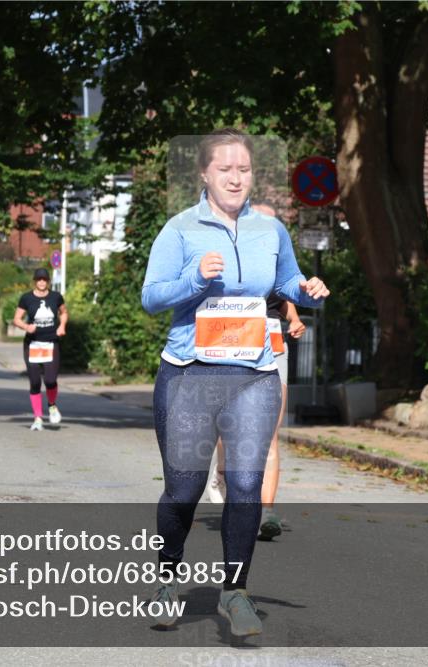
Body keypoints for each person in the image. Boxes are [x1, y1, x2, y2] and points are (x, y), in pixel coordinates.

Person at [141, 128, 329, 636]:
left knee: (245, 485)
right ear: (204, 173)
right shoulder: (180, 229)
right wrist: (196, 279)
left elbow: (285, 281)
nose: (236, 177)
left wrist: (306, 289)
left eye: (244, 169)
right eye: (225, 169)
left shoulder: (270, 230)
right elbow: (152, 297)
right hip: (188, 375)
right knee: (184, 488)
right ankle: (166, 580)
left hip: (253, 374)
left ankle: (235, 591)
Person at [207, 294, 306, 541]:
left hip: (272, 343)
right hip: (231, 340)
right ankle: (221, 471)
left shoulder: (275, 255)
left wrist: (294, 319)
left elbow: (282, 298)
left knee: (269, 434)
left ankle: (265, 513)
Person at [13, 269, 67, 430]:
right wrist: (26, 326)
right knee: (35, 382)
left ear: (48, 281)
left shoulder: (56, 297)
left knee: (50, 380)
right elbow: (17, 319)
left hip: (51, 342)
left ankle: (51, 405)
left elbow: (63, 312)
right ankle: (37, 417)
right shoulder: (26, 298)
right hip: (33, 344)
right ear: (34, 281)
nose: (42, 282)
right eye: (39, 279)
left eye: (44, 279)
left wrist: (62, 326)